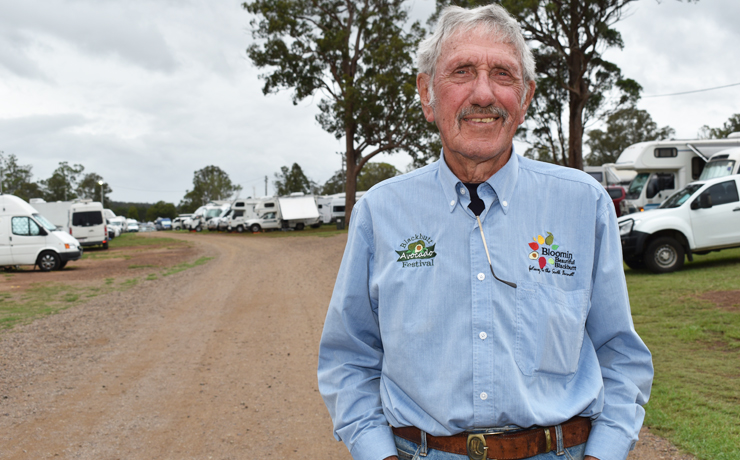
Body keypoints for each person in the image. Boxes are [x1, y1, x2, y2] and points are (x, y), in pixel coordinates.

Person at [317, 5, 653, 460]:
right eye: (462, 71)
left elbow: (620, 353)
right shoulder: (380, 212)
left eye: (502, 74)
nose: (483, 93)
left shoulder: (583, 204)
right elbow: (349, 357)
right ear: (426, 94)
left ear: (526, 97)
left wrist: (603, 454)